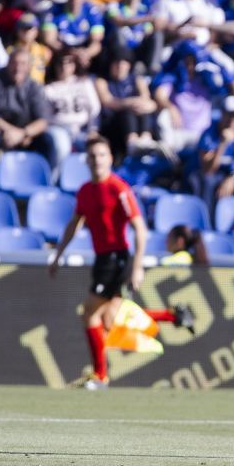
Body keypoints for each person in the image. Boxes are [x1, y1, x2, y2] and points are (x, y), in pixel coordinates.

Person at [49, 136, 195, 390]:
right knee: (108, 319)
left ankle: (100, 376)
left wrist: (137, 266)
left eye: (102, 155)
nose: (97, 161)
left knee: (89, 312)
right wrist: (59, 253)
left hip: (117, 258)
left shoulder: (118, 188)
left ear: (110, 159)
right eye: (93, 156)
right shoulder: (85, 191)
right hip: (102, 259)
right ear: (86, 160)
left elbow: (139, 228)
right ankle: (172, 316)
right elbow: (75, 224)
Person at [0, 50, 55, 174]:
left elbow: (44, 119)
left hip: (27, 133)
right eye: (14, 63)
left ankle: (49, 180)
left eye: (23, 63)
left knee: (48, 140)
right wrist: (11, 131)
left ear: (29, 67)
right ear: (8, 63)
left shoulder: (34, 86)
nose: (18, 68)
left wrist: (23, 133)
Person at [193, 95, 234, 208]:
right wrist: (222, 144)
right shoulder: (208, 133)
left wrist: (233, 179)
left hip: (232, 174)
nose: (232, 120)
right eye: (229, 115)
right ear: (222, 114)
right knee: (208, 181)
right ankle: (207, 222)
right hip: (213, 174)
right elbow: (208, 170)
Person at [95, 45, 157, 159]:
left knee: (142, 110)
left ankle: (145, 138)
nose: (120, 67)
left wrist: (147, 105)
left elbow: (146, 99)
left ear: (128, 65)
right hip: (112, 123)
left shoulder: (136, 79)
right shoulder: (102, 80)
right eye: (116, 63)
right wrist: (130, 102)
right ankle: (132, 143)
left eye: (123, 63)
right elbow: (107, 101)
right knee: (128, 111)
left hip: (137, 119)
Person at [43, 48, 102, 165]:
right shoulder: (48, 89)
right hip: (58, 128)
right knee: (61, 146)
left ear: (75, 65)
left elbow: (95, 109)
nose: (64, 67)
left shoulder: (84, 83)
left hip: (82, 129)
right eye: (60, 63)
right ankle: (56, 180)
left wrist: (93, 130)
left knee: (96, 148)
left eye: (69, 62)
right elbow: (45, 117)